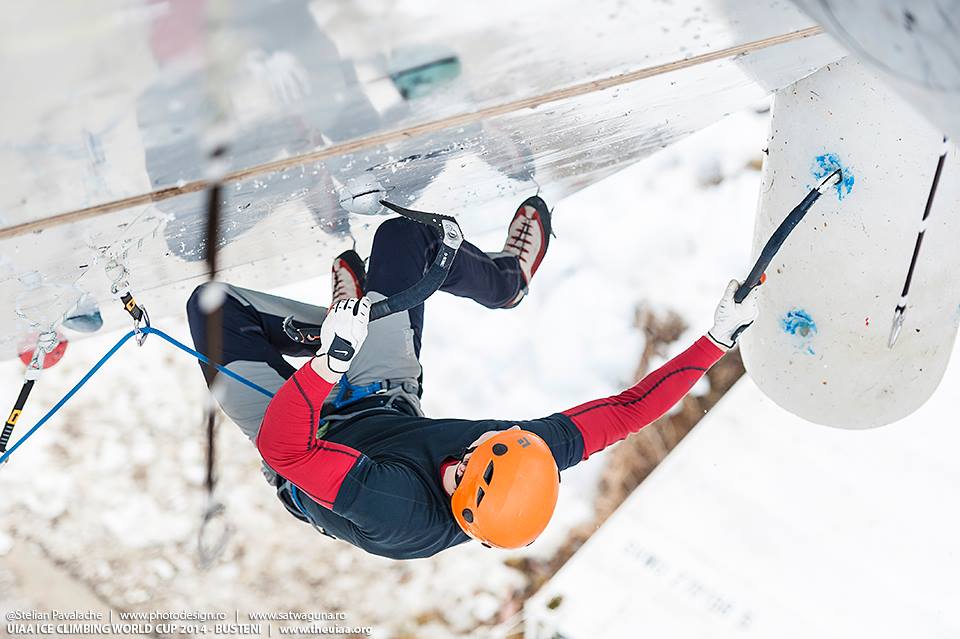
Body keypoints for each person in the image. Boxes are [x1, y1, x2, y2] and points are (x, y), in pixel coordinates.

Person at [186, 195, 760, 560]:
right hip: (380, 397)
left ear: (461, 508)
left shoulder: (398, 509)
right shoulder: (520, 457)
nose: (464, 452)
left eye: (463, 470)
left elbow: (287, 450)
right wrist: (717, 340)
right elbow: (628, 412)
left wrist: (325, 370)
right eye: (484, 447)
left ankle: (342, 331)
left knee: (213, 308)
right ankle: (504, 280)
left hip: (299, 444)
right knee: (405, 241)